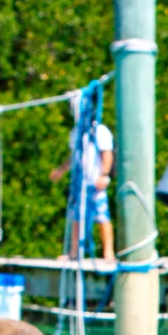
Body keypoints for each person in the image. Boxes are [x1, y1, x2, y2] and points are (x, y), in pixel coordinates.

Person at [52, 100, 116, 261]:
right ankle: (74, 252)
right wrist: (60, 171)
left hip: (96, 182)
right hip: (80, 183)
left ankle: (108, 253)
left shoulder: (100, 131)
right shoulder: (76, 132)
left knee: (102, 216)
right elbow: (74, 156)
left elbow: (107, 154)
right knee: (77, 217)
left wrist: (104, 175)